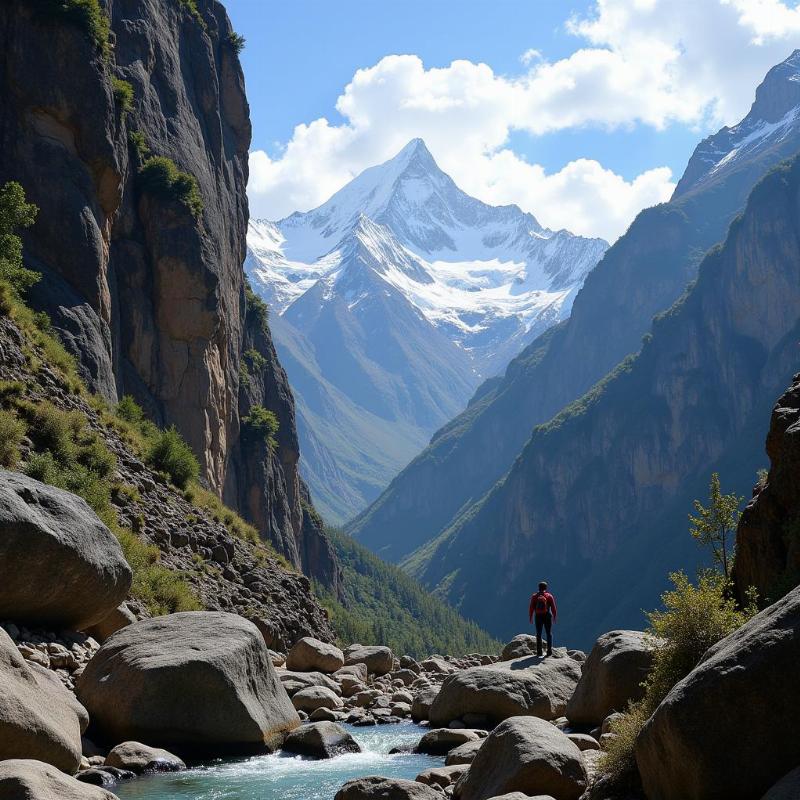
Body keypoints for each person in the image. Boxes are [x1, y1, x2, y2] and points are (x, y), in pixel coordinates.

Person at [528, 581, 557, 656]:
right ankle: (549, 651)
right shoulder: (549, 596)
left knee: (538, 634)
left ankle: (539, 652)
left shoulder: (534, 596)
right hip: (547, 615)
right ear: (546, 588)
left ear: (538, 588)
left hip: (538, 616)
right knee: (549, 633)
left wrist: (530, 617)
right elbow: (553, 608)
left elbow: (531, 608)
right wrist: (554, 617)